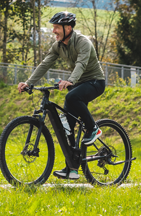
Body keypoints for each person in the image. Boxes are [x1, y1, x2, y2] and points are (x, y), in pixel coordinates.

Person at [17, 11, 106, 181]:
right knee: (67, 126)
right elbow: (45, 64)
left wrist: (70, 80)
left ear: (68, 27)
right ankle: (71, 167)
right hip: (78, 83)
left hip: (95, 81)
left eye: (56, 28)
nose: (53, 31)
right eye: (53, 28)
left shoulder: (82, 42)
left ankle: (93, 128)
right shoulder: (58, 46)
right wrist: (29, 82)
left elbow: (81, 64)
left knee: (71, 97)